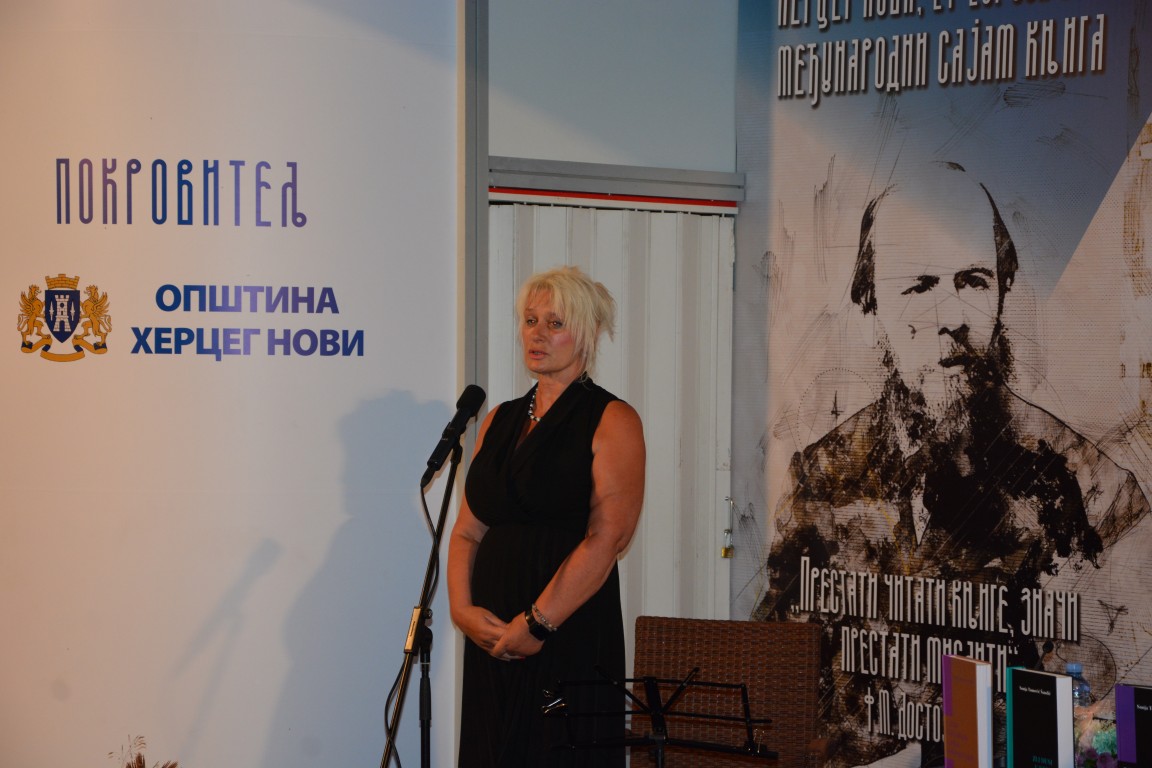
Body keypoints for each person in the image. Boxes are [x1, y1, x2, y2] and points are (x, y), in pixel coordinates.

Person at [756, 163, 1152, 767]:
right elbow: (778, 664)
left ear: (1003, 292)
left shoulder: (1092, 490)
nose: (952, 317)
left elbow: (1122, 707)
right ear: (871, 305)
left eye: (973, 281)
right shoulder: (823, 475)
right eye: (918, 286)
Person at [447, 265, 646, 768]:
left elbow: (608, 538)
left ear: (587, 333)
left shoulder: (613, 419)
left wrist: (537, 625)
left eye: (555, 323)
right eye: (530, 320)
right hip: (492, 636)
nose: (537, 334)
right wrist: (462, 610)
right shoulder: (498, 419)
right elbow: (467, 532)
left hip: (566, 631)